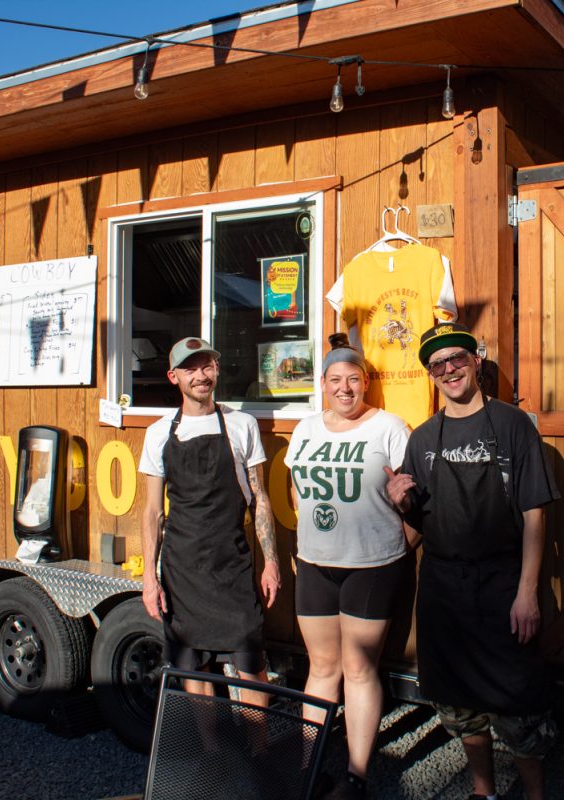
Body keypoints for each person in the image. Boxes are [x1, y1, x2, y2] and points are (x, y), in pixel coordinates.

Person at [385, 322, 558, 800]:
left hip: (503, 585)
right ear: (431, 376)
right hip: (443, 588)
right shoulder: (421, 439)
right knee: (459, 705)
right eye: (437, 365)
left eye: (456, 359)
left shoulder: (512, 425)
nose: (448, 370)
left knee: (520, 707)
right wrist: (399, 504)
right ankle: (483, 791)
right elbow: (416, 525)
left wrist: (527, 593)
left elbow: (535, 513)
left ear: (475, 362)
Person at [284, 335, 413, 799]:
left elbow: (415, 501)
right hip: (315, 565)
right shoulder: (304, 429)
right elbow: (295, 487)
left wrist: (398, 545)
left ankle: (356, 776)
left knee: (359, 669)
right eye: (335, 380)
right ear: (322, 384)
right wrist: (307, 541)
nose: (344, 388)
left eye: (353, 380)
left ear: (366, 384)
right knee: (321, 668)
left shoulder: (390, 428)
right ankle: (309, 767)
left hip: (371, 566)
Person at [138, 337, 280, 705]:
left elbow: (259, 498)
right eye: (190, 368)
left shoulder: (242, 424)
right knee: (192, 668)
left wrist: (272, 563)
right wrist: (149, 581)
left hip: (231, 564)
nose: (200, 376)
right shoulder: (157, 435)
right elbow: (152, 512)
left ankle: (257, 753)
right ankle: (211, 754)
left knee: (251, 665)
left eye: (206, 366)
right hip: (182, 569)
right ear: (174, 377)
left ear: (216, 370)